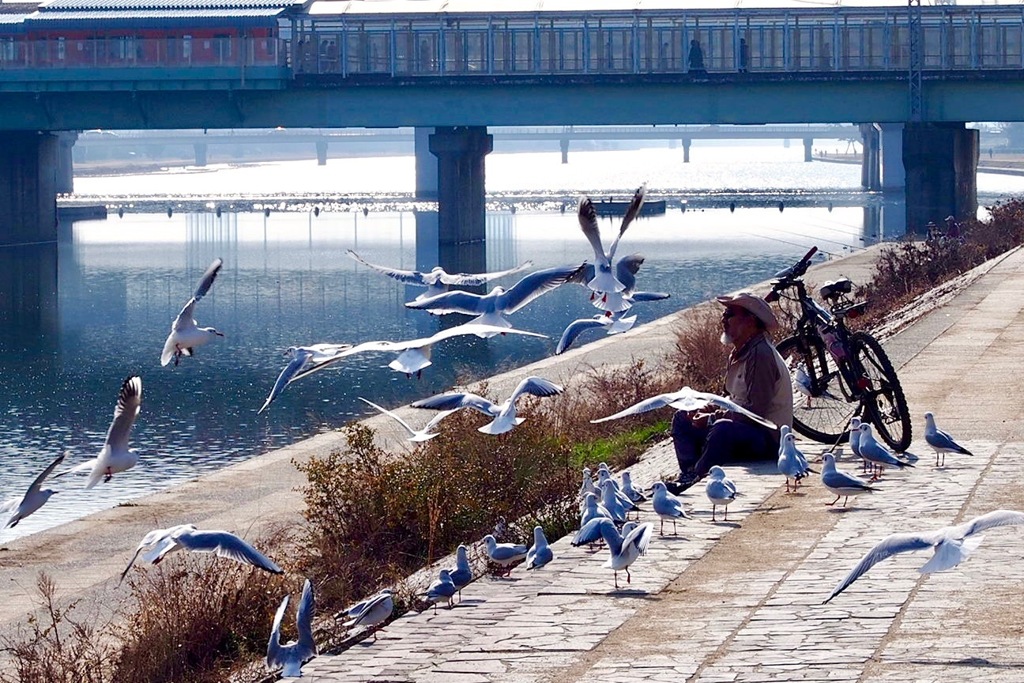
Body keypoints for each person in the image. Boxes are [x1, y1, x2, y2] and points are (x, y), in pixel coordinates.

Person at [667, 292, 793, 493]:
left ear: (750, 321)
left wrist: (711, 419)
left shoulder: (760, 355)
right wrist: (709, 407)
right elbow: (735, 398)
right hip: (746, 428)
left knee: (723, 429)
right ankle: (689, 472)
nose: (723, 319)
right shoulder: (741, 351)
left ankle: (698, 476)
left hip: (768, 439)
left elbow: (755, 413)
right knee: (683, 416)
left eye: (730, 314)